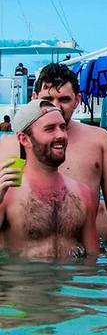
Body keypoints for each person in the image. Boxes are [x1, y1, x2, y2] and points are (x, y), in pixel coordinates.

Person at [0, 63, 107, 251]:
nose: (56, 107)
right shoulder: (15, 144)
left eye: (64, 99)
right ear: (34, 98)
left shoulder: (98, 140)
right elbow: (5, 200)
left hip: (80, 249)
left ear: (77, 100)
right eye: (48, 99)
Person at [0, 99, 99, 257]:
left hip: (70, 281)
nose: (61, 135)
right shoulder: (7, 193)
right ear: (24, 139)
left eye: (62, 127)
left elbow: (93, 259)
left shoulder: (82, 193)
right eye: (50, 129)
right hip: (22, 280)